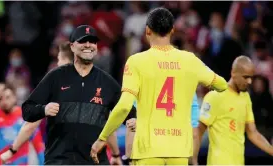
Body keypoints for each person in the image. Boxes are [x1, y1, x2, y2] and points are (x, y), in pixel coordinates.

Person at [90, 7, 227, 165]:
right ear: (172, 30)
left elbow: (123, 107)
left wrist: (102, 138)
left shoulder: (136, 62)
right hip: (178, 151)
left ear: (147, 31)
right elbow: (221, 85)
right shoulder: (190, 61)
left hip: (148, 150)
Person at [21, 25, 136, 165]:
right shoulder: (56, 77)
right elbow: (27, 110)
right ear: (72, 46)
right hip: (60, 161)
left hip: (95, 162)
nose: (88, 45)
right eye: (83, 41)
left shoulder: (107, 82)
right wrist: (44, 109)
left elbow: (129, 113)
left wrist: (133, 121)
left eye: (92, 41)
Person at [0, 41, 74, 163]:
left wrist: (11, 151)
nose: (58, 63)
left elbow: (30, 126)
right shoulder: (95, 84)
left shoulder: (55, 87)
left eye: (59, 59)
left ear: (66, 60)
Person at [193, 56, 273, 165]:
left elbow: (253, 133)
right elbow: (199, 131)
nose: (249, 81)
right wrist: (193, 161)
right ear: (233, 73)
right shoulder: (216, 96)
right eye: (245, 77)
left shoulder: (245, 97)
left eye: (251, 77)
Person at [123, 95, 201, 165]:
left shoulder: (144, 83)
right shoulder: (188, 87)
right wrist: (193, 162)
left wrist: (129, 158)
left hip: (148, 154)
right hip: (178, 154)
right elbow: (194, 133)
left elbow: (132, 125)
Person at [0, 85, 44, 165]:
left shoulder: (25, 117)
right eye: (1, 98)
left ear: (14, 98)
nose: (5, 101)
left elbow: (38, 145)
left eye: (8, 97)